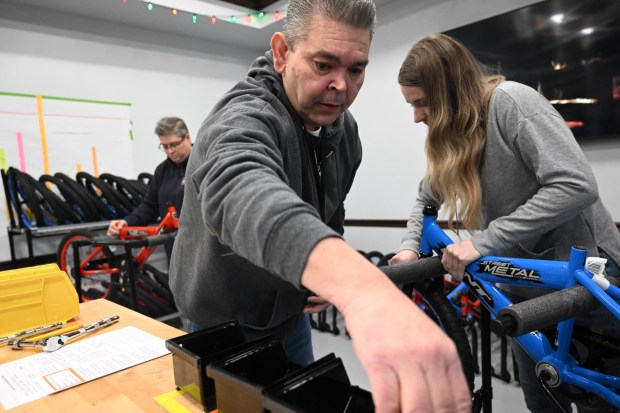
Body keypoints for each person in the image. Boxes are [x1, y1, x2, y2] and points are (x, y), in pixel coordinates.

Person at [168, 2, 471, 412]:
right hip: (223, 324)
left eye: (355, 70)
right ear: (281, 53)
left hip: (290, 317)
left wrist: (320, 275)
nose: (341, 86)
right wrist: (359, 288)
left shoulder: (342, 132)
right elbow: (240, 190)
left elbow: (330, 210)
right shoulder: (244, 116)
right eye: (324, 64)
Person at [390, 33, 620, 412]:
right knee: (542, 399)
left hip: (587, 275)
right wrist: (408, 248)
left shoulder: (512, 102)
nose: (417, 116)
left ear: (450, 94)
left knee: (600, 400)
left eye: (423, 103)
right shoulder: (455, 138)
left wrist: (482, 242)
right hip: (521, 289)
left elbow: (576, 184)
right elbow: (424, 199)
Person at [107, 116, 192, 251]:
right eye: (164, 146)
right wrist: (127, 222)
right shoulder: (162, 170)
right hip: (173, 247)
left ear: (187, 138)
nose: (170, 151)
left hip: (201, 247)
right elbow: (150, 206)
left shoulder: (203, 164)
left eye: (174, 144)